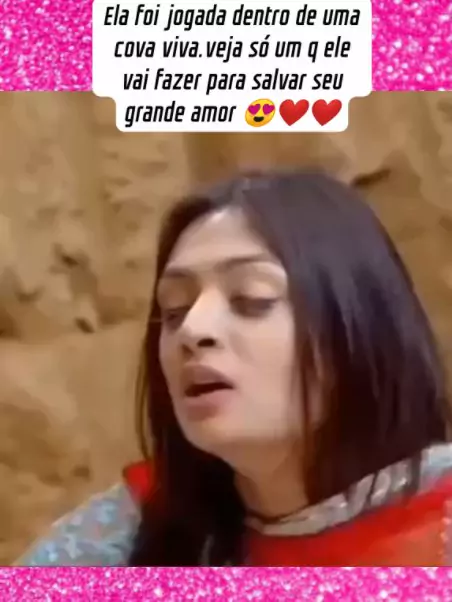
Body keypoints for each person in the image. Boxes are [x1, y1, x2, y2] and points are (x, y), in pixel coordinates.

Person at [17, 170, 452, 567]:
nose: (192, 330)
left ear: (357, 323)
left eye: (250, 299)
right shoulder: (126, 537)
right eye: (174, 311)